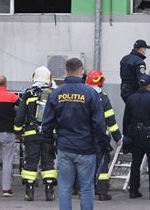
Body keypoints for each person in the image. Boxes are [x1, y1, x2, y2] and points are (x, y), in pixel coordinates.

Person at [42, 58, 110, 210]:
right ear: (81, 71)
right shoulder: (91, 93)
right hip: (86, 148)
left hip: (64, 147)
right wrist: (104, 143)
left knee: (65, 187)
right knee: (86, 188)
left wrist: (49, 145)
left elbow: (46, 124)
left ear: (66, 71)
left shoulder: (56, 93)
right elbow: (99, 124)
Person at [14, 66, 57, 202]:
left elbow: (20, 115)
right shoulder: (54, 94)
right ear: (48, 78)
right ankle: (49, 192)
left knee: (31, 161)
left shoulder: (28, 94)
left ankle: (29, 192)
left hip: (31, 134)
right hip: (49, 135)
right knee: (48, 162)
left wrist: (17, 131)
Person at [85, 70, 122, 201]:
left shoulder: (82, 95)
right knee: (102, 164)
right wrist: (117, 137)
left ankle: (80, 189)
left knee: (83, 164)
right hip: (100, 138)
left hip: (83, 138)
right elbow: (110, 120)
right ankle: (101, 192)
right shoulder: (103, 98)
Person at [123, 74, 150, 200]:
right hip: (149, 134)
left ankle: (133, 191)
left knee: (135, 163)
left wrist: (126, 135)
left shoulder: (131, 98)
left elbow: (126, 119)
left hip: (135, 134)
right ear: (149, 85)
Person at [120, 39, 150, 103]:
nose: (145, 51)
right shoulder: (139, 62)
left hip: (124, 90)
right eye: (145, 49)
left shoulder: (124, 59)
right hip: (134, 92)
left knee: (129, 110)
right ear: (141, 49)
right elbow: (142, 79)